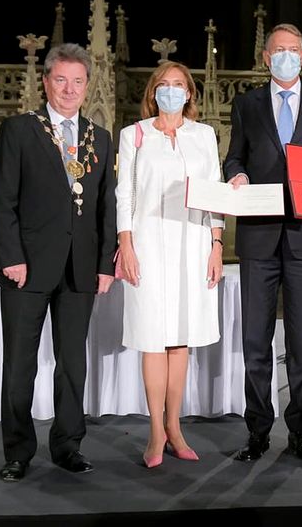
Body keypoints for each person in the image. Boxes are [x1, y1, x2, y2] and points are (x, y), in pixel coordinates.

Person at [224, 23, 302, 463]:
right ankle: (257, 430)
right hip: (258, 236)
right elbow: (234, 157)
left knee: (300, 343)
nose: (286, 56)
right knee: (256, 343)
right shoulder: (246, 104)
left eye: (293, 49)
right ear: (266, 57)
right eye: (278, 50)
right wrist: (236, 175)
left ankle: (300, 430)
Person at [0, 43, 117, 482]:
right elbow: (1, 199)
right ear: (46, 82)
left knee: (73, 364)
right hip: (26, 267)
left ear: (87, 85)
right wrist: (11, 257)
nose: (69, 89)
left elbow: (106, 206)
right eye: (61, 79)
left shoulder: (100, 138)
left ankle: (68, 445)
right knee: (19, 363)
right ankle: (18, 451)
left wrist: (105, 264)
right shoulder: (19, 130)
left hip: (80, 268)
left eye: (77, 81)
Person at [115, 61, 224, 468]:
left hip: (192, 245)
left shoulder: (204, 135)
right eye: (164, 84)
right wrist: (126, 244)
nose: (172, 90)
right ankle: (155, 433)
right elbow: (125, 193)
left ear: (190, 92)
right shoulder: (135, 135)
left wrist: (216, 244)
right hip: (147, 246)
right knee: (152, 337)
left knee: (181, 339)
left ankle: (175, 427)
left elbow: (214, 192)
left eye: (179, 84)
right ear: (153, 91)